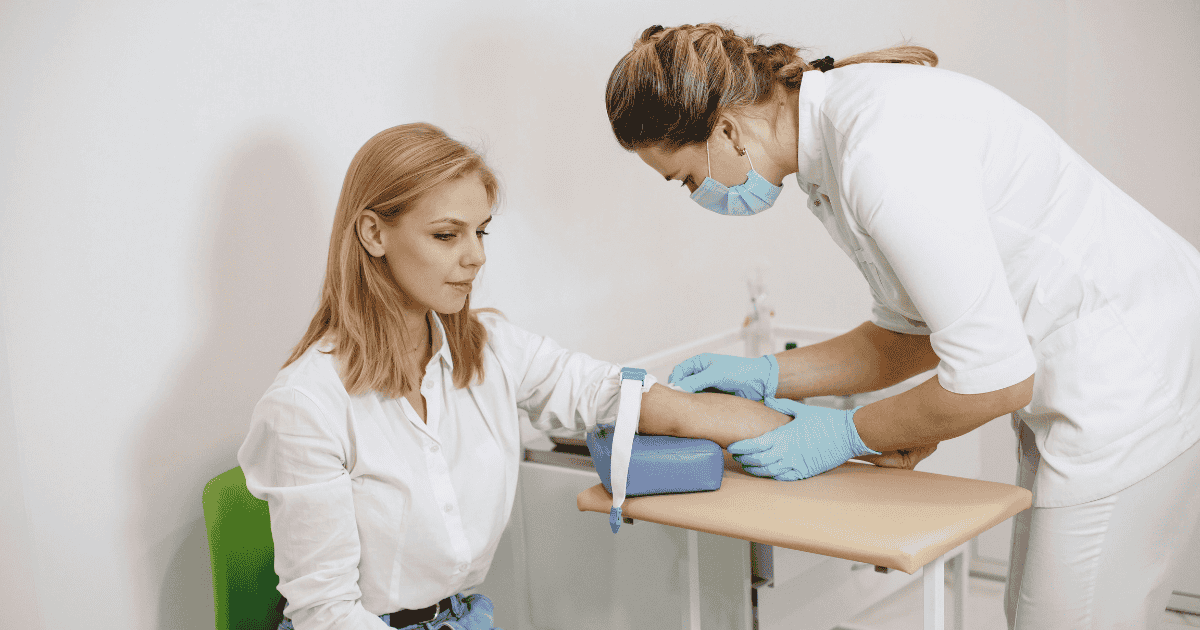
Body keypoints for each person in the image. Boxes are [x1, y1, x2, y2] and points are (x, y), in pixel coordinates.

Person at [605, 23, 1200, 630]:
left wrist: (847, 434)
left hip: (1131, 380)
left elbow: (993, 382)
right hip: (1098, 369)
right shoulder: (835, 142)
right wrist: (765, 374)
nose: (696, 193)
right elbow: (907, 336)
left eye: (684, 177)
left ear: (727, 130)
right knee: (1036, 611)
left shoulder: (880, 151)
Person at [237, 122, 803, 630]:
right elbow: (327, 616)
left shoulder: (488, 351)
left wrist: (794, 432)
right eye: (446, 235)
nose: (475, 257)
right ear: (373, 234)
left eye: (481, 232)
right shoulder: (306, 406)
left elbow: (606, 392)